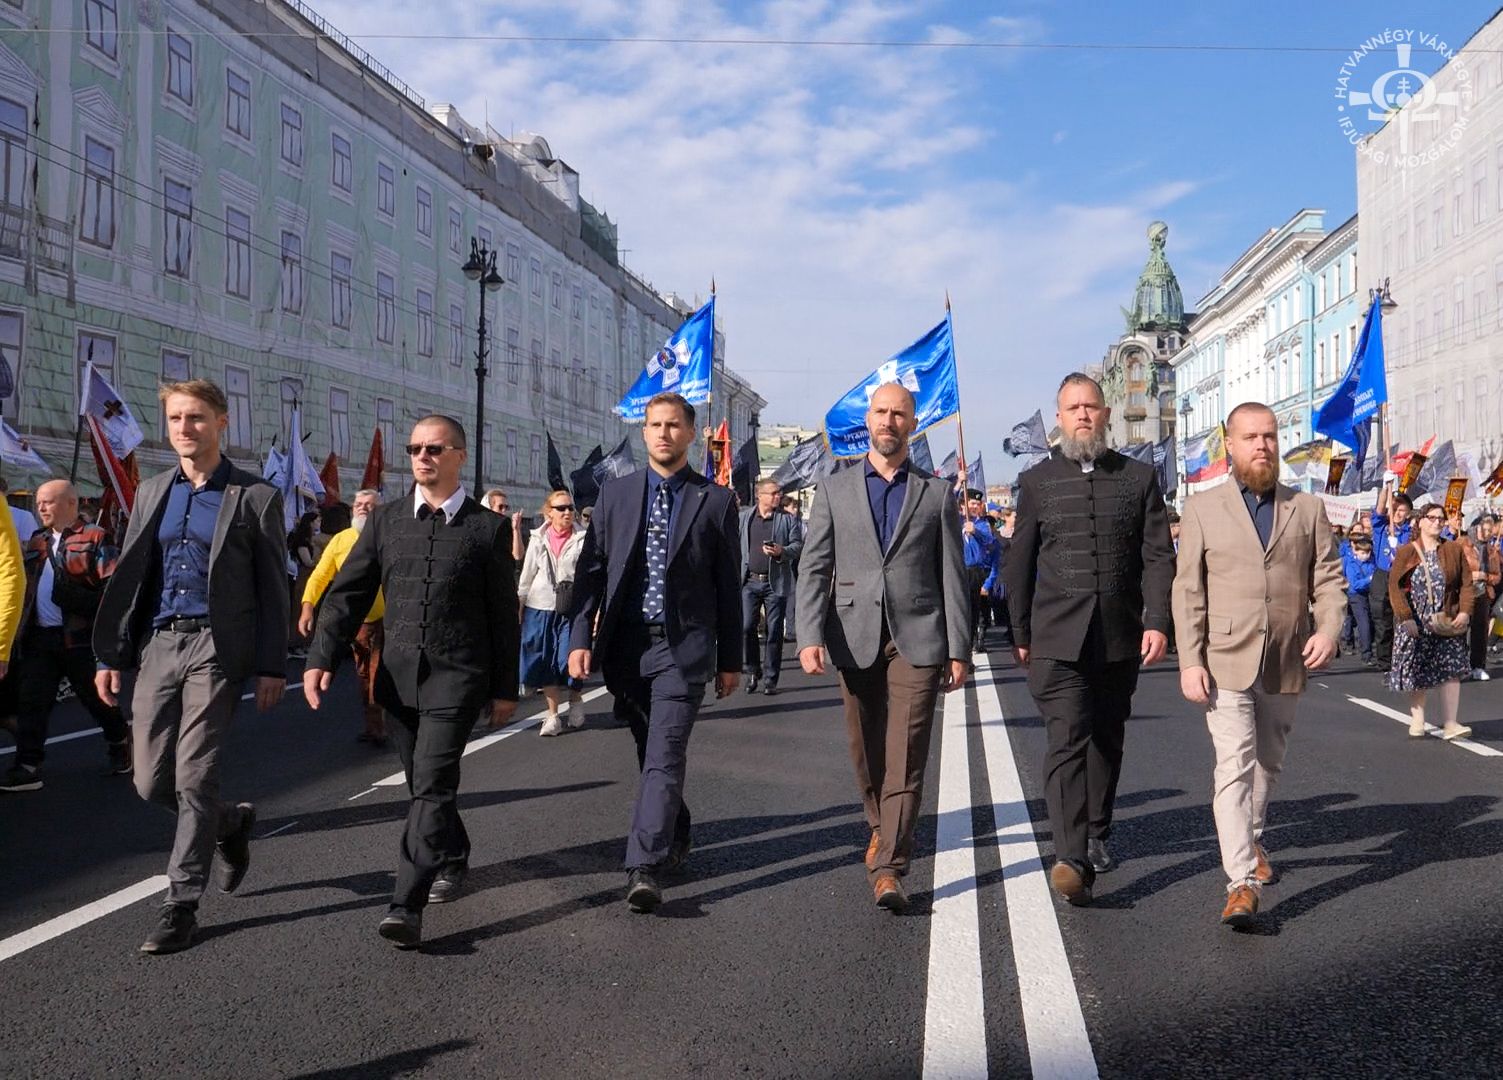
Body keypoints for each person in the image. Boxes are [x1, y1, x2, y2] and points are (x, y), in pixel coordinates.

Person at [305, 415, 520, 949]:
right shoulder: (387, 521)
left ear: (459, 456)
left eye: (434, 448)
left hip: (458, 677)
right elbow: (348, 594)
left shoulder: (486, 528)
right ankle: (454, 853)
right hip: (397, 681)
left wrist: (505, 689)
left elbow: (501, 617)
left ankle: (406, 903)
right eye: (415, 449)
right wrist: (321, 657)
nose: (422, 457)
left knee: (431, 783)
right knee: (425, 784)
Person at [93, 379, 289, 955]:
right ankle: (228, 824)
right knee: (150, 779)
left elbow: (273, 587)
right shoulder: (152, 491)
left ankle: (180, 903)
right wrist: (111, 655)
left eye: (196, 417)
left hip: (216, 647)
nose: (184, 427)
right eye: (176, 418)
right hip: (159, 643)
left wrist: (273, 664)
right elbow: (133, 579)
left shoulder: (255, 496)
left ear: (222, 422)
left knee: (195, 774)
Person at [796, 381, 969, 914]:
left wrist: (959, 647)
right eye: (881, 412)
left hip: (919, 635)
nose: (889, 421)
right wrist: (807, 636)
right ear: (867, 421)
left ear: (913, 424)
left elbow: (952, 573)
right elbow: (814, 566)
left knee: (907, 751)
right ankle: (878, 824)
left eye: (899, 414)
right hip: (854, 634)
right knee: (866, 748)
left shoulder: (936, 493)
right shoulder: (835, 490)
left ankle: (890, 865)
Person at [1171, 402, 1345, 928]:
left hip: (1287, 657)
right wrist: (1189, 661)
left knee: (1268, 763)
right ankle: (1240, 882)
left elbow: (1330, 581)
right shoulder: (1203, 509)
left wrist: (1330, 630)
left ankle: (1253, 837)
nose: (1262, 446)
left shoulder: (1306, 508)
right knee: (1235, 764)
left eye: (1268, 436)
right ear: (1230, 443)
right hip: (1224, 659)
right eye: (1250, 437)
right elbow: (1188, 591)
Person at [567, 392, 741, 914]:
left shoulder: (716, 501)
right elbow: (590, 576)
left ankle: (642, 866)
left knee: (665, 754)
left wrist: (730, 659)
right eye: (653, 425)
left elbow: (727, 587)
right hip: (626, 648)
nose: (662, 433)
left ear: (691, 434)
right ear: (644, 434)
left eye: (673, 425)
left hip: (682, 649)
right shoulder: (615, 497)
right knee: (650, 754)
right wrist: (579, 640)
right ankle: (675, 824)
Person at [1006, 372, 1175, 906]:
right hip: (1057, 637)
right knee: (1067, 736)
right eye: (1072, 407)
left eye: (1091, 406)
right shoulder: (1035, 482)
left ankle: (1098, 829)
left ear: (1105, 414)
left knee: (1106, 736)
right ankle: (1069, 855)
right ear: (1059, 418)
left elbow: (1157, 556)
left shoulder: (1139, 477)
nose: (1082, 415)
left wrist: (1158, 621)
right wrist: (1021, 632)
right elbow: (1020, 562)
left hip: (1120, 634)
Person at [0, 480, 129, 792]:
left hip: (80, 639)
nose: (41, 507)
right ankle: (28, 765)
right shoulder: (36, 540)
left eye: (48, 501)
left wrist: (82, 601)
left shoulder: (95, 537)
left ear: (70, 503)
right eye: (40, 502)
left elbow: (114, 591)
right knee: (32, 702)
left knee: (96, 700)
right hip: (39, 637)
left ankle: (120, 742)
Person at [298, 489, 386, 747]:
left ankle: (383, 724)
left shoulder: (389, 538)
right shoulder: (340, 541)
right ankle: (374, 725)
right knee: (363, 675)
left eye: (369, 506)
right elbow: (319, 575)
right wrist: (307, 606)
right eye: (358, 504)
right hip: (356, 623)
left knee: (380, 674)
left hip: (389, 620)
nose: (362, 509)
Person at [1386, 504, 1475, 739]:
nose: (1437, 522)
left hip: (1446, 618)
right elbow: (1395, 588)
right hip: (1416, 620)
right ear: (1420, 522)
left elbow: (1466, 584)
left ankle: (1451, 723)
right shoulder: (1407, 551)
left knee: (1452, 668)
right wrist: (1405, 617)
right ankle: (1418, 719)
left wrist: (1464, 612)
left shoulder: (1453, 550)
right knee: (1418, 669)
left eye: (1441, 518)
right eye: (1432, 518)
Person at [518, 488, 587, 735]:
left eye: (570, 508)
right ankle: (552, 715)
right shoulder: (538, 538)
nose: (567, 512)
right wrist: (520, 604)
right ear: (549, 512)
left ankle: (576, 700)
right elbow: (527, 575)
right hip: (540, 606)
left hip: (571, 609)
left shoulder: (583, 538)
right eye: (561, 508)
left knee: (568, 660)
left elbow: (590, 577)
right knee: (545, 660)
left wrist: (594, 609)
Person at [739, 479, 803, 695]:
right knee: (747, 627)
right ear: (760, 495)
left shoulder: (786, 520)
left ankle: (770, 679)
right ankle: (752, 670)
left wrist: (780, 552)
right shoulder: (745, 518)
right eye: (774, 493)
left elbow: (797, 546)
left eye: (779, 493)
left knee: (774, 631)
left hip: (774, 582)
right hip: (749, 582)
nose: (778, 496)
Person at [1370, 481, 1413, 672]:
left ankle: (1401, 657)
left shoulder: (1411, 532)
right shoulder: (1382, 526)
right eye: (1394, 507)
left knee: (1401, 617)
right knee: (1382, 619)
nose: (1397, 512)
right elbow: (1379, 510)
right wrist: (1385, 488)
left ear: (1408, 513)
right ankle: (1384, 661)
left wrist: (1401, 548)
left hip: (1401, 576)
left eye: (1402, 509)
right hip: (1382, 575)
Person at [1461, 514, 1499, 681]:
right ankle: (1459, 665)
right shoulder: (1462, 543)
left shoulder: (1491, 550)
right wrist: (1472, 575)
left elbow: (1497, 576)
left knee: (1480, 632)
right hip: (1464, 592)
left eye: (1491, 530)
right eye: (1485, 529)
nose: (1487, 533)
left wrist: (1486, 577)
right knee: (1460, 630)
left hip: (1483, 593)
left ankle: (1477, 666)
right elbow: (1453, 570)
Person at [1341, 529, 1376, 666]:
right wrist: (1370, 579)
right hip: (1356, 595)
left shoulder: (1372, 561)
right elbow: (1354, 584)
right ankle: (1366, 653)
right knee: (1363, 623)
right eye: (1362, 553)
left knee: (1372, 623)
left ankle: (1367, 646)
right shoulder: (1351, 563)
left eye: (1367, 553)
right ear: (1355, 551)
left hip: (1370, 594)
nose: (1365, 556)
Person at [780, 493, 806, 643]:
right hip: (786, 561)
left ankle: (791, 629)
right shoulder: (785, 521)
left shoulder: (798, 522)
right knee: (790, 596)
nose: (795, 509)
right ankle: (789, 630)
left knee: (793, 597)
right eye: (792, 506)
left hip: (796, 562)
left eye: (796, 506)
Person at [482, 486, 525, 565]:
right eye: (500, 507)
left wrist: (516, 529)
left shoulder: (507, 529)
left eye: (506, 507)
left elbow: (518, 556)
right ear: (489, 508)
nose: (504, 510)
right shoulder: (481, 530)